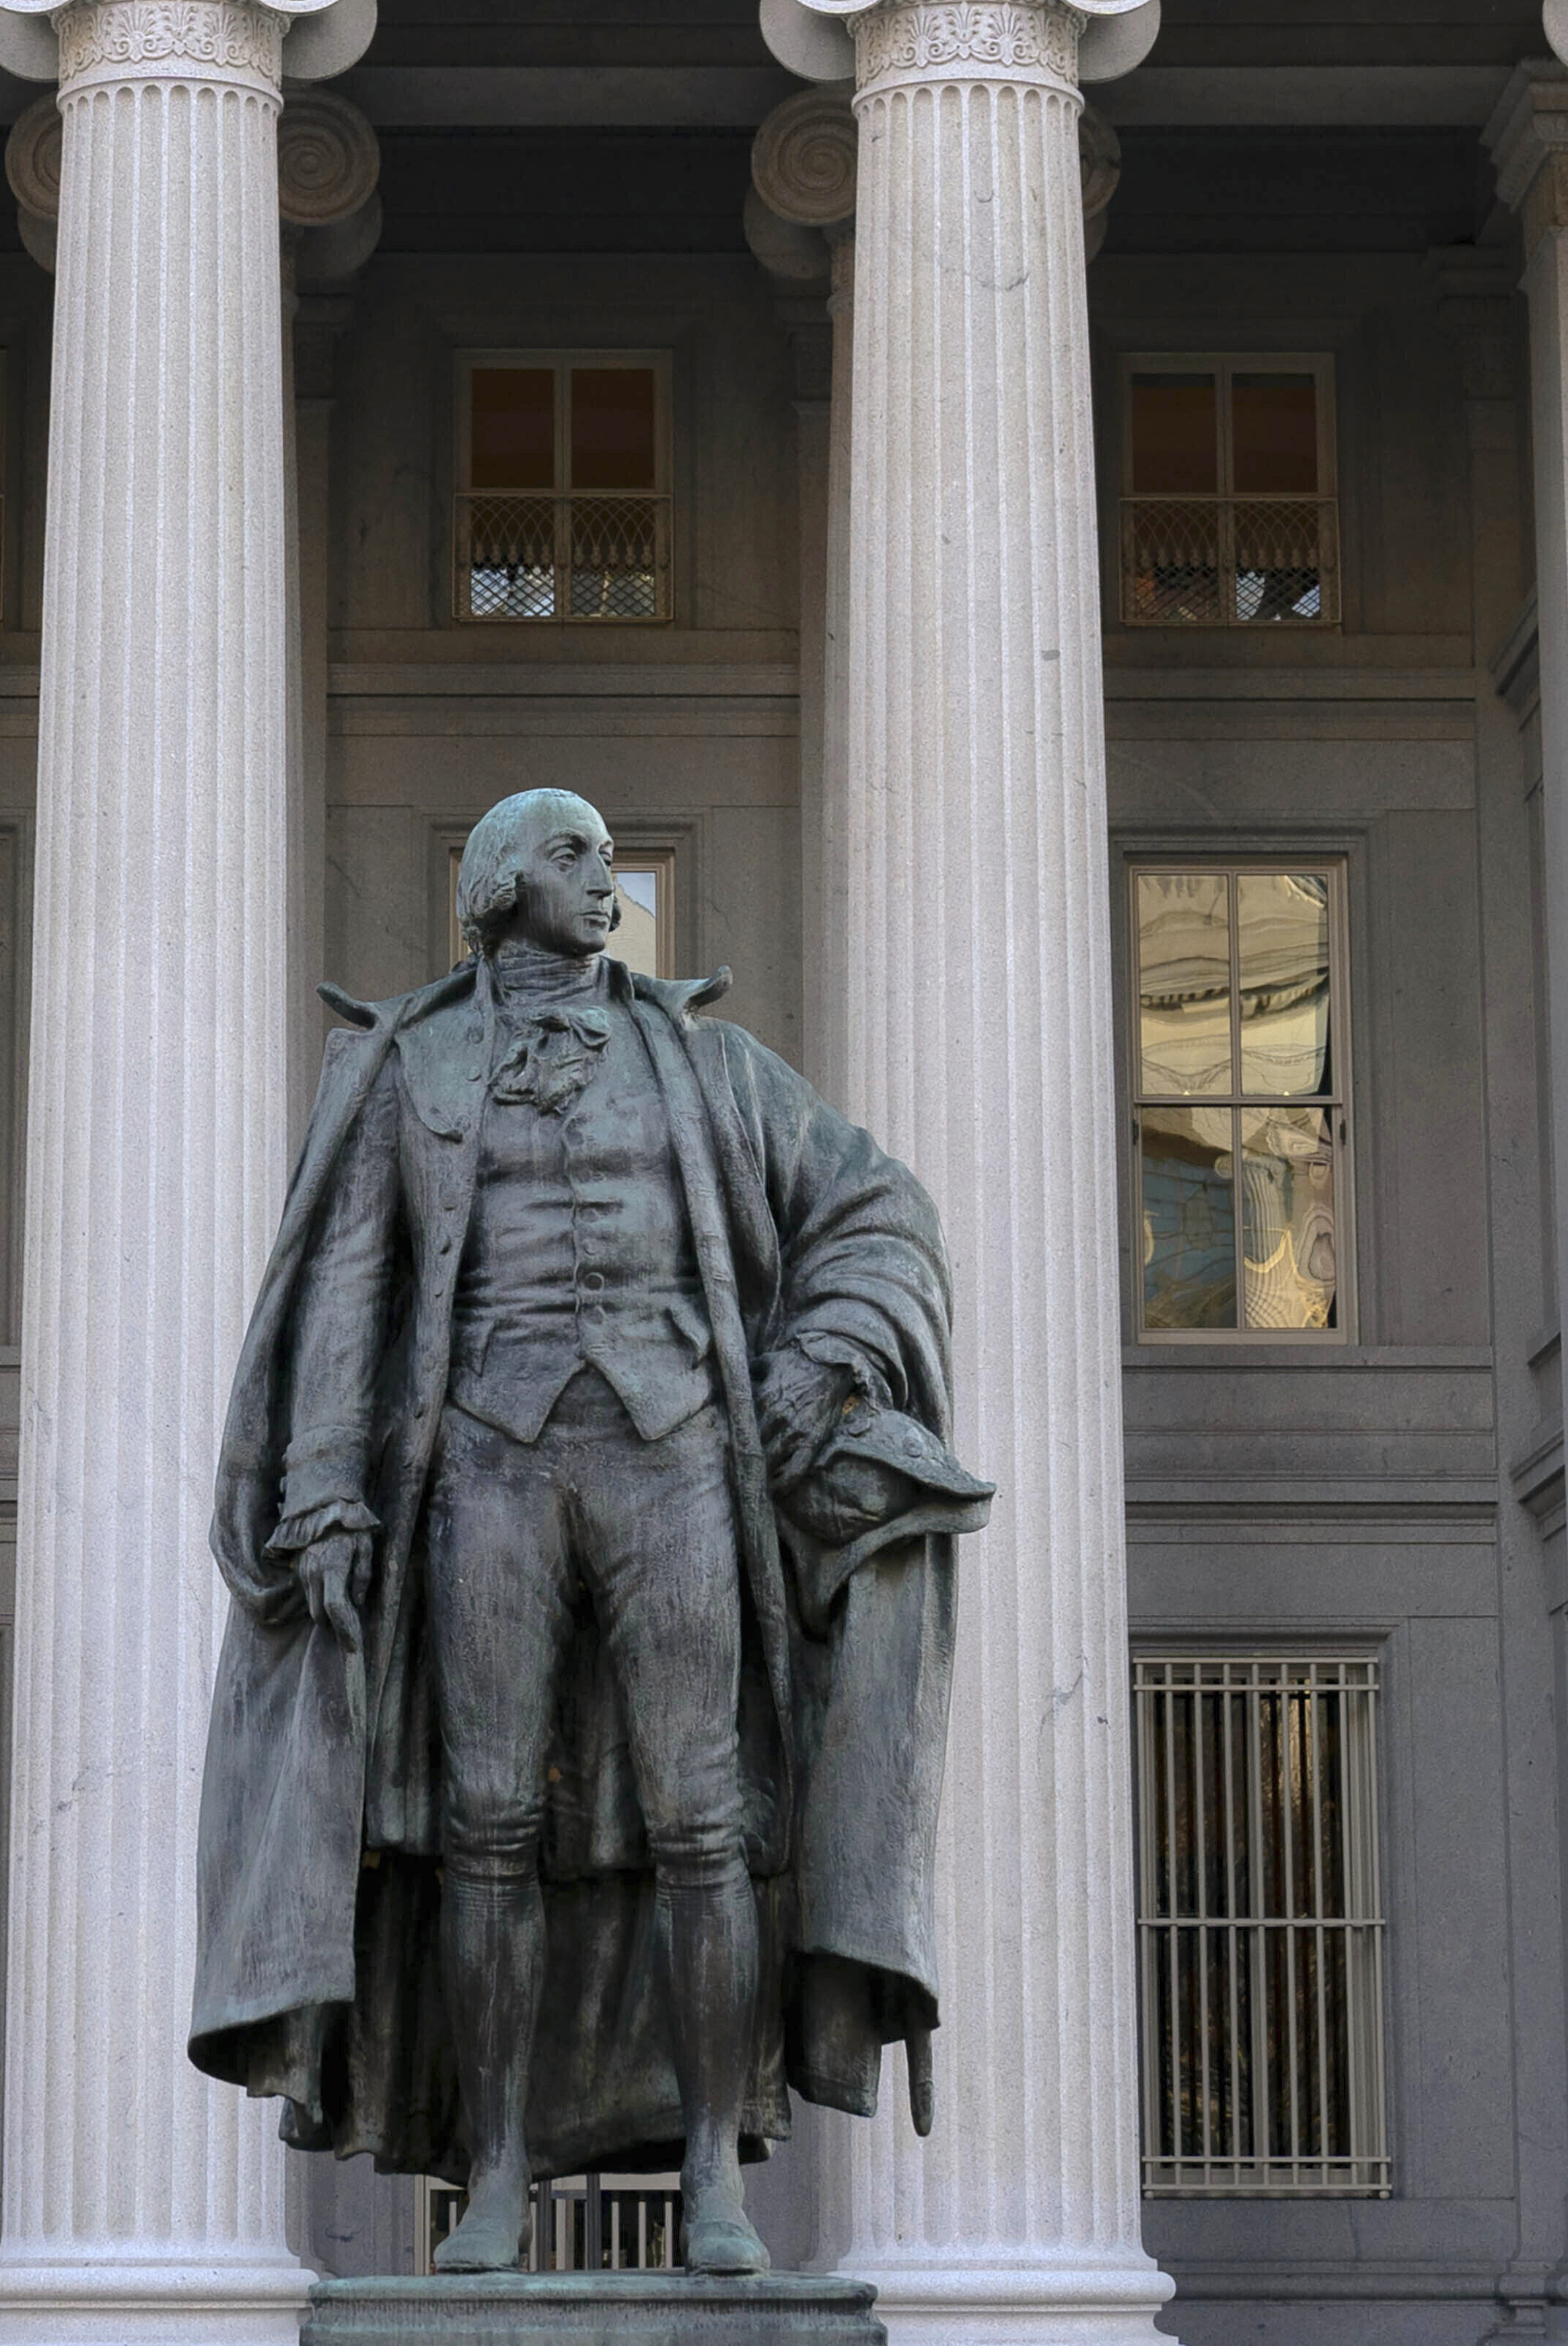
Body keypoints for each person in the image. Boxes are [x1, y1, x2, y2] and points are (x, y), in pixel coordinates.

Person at [189, 788, 989, 2274]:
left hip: (677, 1457)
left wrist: (825, 1354)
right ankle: (489, 2170)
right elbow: (351, 1290)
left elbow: (875, 1203)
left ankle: (713, 2173)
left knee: (706, 1820)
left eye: (610, 852)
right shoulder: (409, 1065)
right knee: (486, 1825)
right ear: (498, 881)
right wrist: (321, 1491)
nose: (601, 870)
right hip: (485, 1464)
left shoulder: (706, 1062)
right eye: (570, 851)